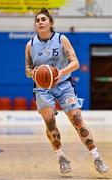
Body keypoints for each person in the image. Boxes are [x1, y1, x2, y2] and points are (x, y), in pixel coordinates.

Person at [25, 8, 109, 174]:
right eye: (37, 20)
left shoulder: (61, 39)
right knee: (49, 121)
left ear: (51, 23)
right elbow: (27, 69)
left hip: (64, 85)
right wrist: (33, 72)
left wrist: (60, 73)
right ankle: (61, 157)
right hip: (42, 88)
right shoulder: (30, 45)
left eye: (43, 19)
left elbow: (75, 63)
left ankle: (96, 157)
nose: (40, 22)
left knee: (77, 121)